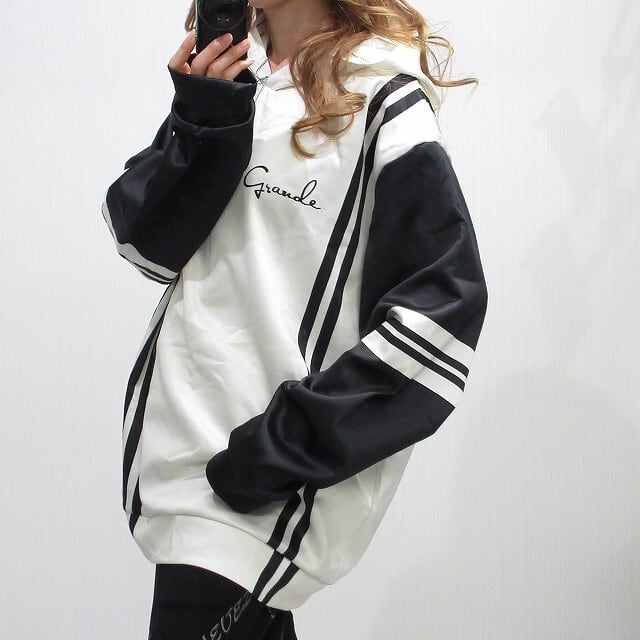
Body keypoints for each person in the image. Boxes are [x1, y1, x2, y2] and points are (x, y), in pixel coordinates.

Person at [101, 0, 488, 636]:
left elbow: (444, 312)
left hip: (256, 495)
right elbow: (141, 243)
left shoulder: (381, 97)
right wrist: (201, 119)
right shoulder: (241, 80)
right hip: (178, 473)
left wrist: (281, 448)